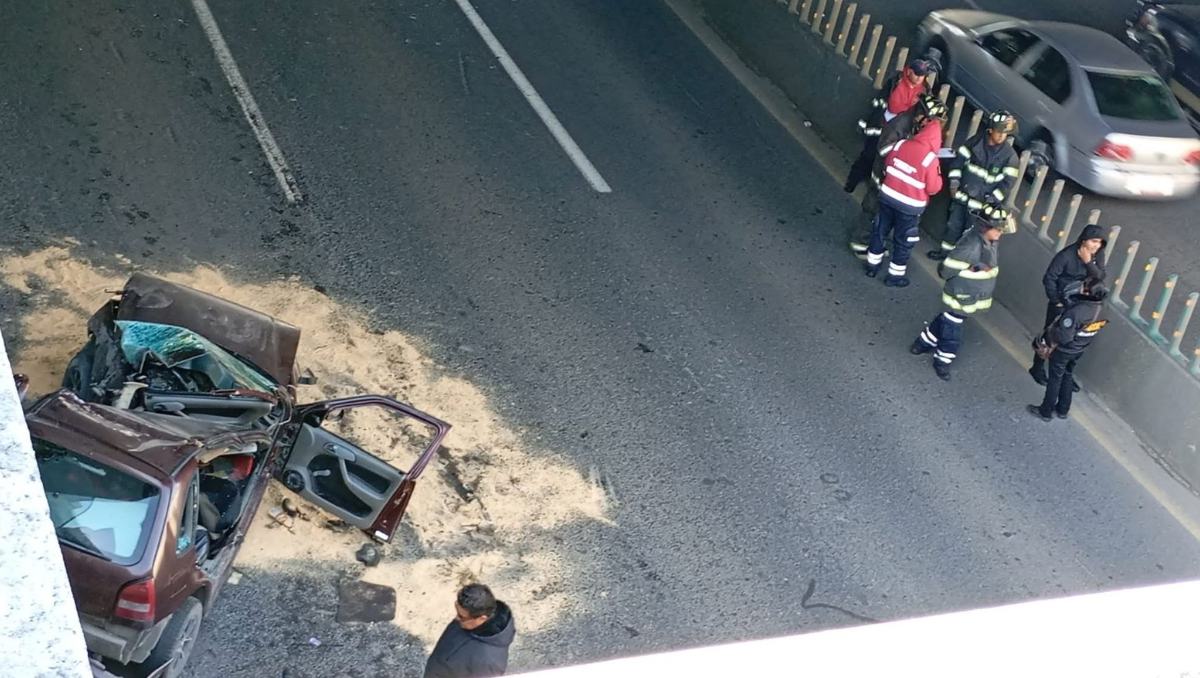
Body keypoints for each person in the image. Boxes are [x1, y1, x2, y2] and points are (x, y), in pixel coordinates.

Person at [911, 203, 1015, 381]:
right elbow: (946, 270)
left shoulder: (987, 240)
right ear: (986, 227)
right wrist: (974, 270)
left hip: (968, 295)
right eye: (998, 229)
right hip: (960, 297)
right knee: (952, 332)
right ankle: (942, 361)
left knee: (946, 319)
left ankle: (922, 343)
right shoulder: (971, 246)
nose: (1000, 233)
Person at [863, 95, 946, 287]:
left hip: (887, 196)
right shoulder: (930, 159)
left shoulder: (901, 144)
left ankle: (872, 266)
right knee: (903, 240)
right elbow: (933, 188)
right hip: (910, 207)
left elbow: (888, 165)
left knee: (879, 230)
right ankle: (895, 276)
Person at [848, 94, 942, 259]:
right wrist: (908, 148)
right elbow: (883, 149)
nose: (930, 125)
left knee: (882, 217)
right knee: (872, 208)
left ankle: (872, 246)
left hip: (894, 178)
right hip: (883, 176)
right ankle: (860, 241)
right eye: (929, 120)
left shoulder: (916, 127)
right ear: (921, 115)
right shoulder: (900, 124)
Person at [928, 110, 1019, 260]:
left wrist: (991, 202)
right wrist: (954, 183)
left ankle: (958, 261)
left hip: (981, 207)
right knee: (953, 226)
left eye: (1005, 133)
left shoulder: (1010, 157)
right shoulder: (974, 142)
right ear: (990, 130)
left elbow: (1007, 184)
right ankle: (945, 254)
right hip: (962, 197)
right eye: (999, 132)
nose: (1002, 136)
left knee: (970, 235)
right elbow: (958, 162)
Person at [1030, 224, 1107, 385]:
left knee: (1075, 340)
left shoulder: (1097, 255)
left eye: (1099, 242)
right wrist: (1056, 301)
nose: (1096, 246)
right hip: (1061, 302)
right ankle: (1037, 368)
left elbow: (1100, 276)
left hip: (1082, 304)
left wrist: (1088, 263)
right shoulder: (1066, 256)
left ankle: (1066, 376)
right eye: (1093, 241)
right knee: (1050, 336)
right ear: (1084, 240)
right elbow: (1049, 278)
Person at [844, 58, 934, 193]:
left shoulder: (925, 91)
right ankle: (851, 184)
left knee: (884, 165)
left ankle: (873, 191)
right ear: (909, 71)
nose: (919, 78)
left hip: (899, 135)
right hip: (881, 127)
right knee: (868, 157)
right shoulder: (895, 82)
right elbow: (887, 104)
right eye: (917, 74)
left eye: (922, 75)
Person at [1027, 278, 1109, 421]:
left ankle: (1045, 411)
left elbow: (1065, 337)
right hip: (1079, 349)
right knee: (1067, 375)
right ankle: (1063, 409)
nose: (1081, 287)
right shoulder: (1102, 310)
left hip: (1064, 351)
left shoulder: (1077, 311)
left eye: (1084, 286)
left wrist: (1052, 332)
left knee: (1054, 380)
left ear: (1087, 291)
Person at [424, 584, 516, 678]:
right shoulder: (468, 621)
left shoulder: (490, 663)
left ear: (481, 618)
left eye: (461, 616)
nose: (456, 618)